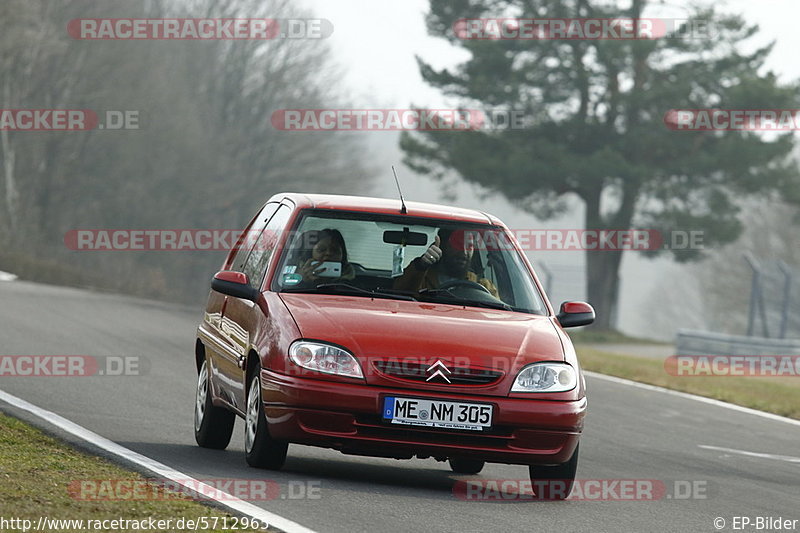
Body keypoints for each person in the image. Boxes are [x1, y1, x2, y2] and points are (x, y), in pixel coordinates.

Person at [394, 228, 499, 298]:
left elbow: (499, 315)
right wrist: (420, 265)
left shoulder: (483, 286)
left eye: (469, 246)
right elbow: (398, 297)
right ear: (443, 246)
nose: (464, 251)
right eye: (458, 244)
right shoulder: (422, 280)